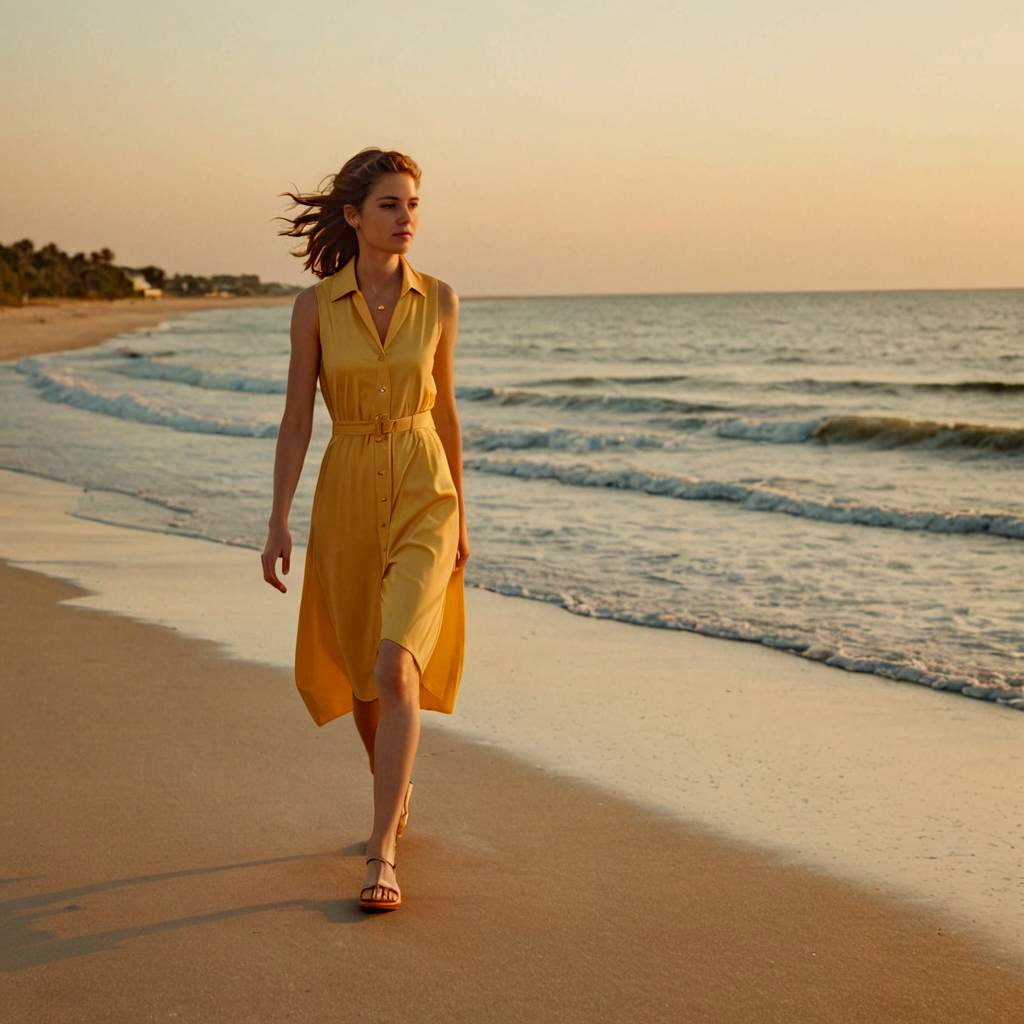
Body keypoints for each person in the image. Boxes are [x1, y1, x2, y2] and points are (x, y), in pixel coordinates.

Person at [261, 147, 470, 912]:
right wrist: (278, 518)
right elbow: (294, 421)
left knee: (394, 663)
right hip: (347, 486)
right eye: (389, 205)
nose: (405, 218)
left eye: (412, 204)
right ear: (353, 216)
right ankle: (395, 784)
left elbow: (445, 410)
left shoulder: (440, 300)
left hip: (424, 489)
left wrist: (463, 516)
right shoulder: (315, 308)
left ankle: (382, 849)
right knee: (362, 678)